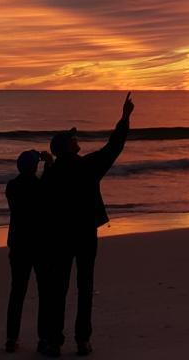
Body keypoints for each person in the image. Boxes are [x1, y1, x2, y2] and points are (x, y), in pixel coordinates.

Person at [42, 92, 134, 357]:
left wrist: (48, 167)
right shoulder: (87, 167)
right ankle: (82, 340)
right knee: (84, 286)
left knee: (59, 288)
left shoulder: (53, 174)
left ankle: (54, 341)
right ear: (69, 147)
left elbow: (43, 206)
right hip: (85, 234)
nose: (76, 139)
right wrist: (124, 118)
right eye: (73, 138)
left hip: (60, 237)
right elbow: (114, 147)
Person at [5, 149, 53, 353]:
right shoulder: (39, 186)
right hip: (39, 245)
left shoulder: (12, 186)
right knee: (44, 292)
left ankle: (11, 337)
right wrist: (49, 165)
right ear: (34, 167)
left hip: (18, 244)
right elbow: (50, 189)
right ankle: (43, 338)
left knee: (17, 291)